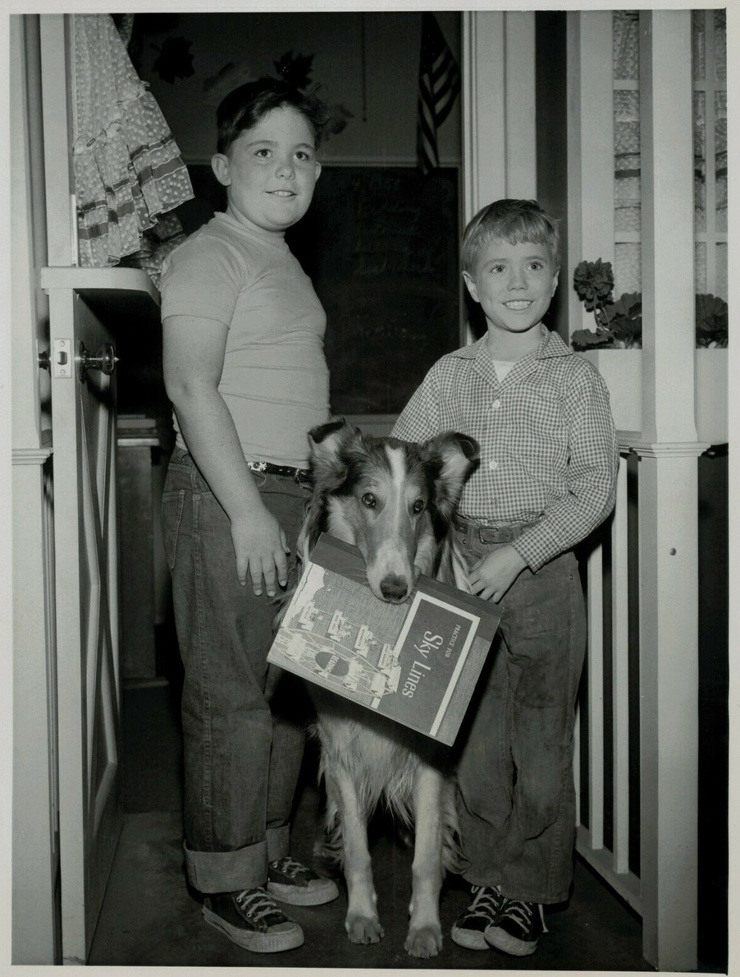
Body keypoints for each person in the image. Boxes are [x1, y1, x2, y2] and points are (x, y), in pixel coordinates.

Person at [392, 198, 618, 958]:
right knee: (478, 739)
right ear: (472, 284)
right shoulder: (449, 375)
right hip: (461, 567)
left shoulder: (573, 378)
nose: (515, 282)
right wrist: (437, 540)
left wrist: (519, 553)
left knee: (541, 741)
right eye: (497, 268)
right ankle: (487, 874)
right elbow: (404, 460)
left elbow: (595, 487)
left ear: (553, 281)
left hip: (544, 571)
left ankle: (532, 889)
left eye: (531, 267)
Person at [159, 77, 338, 955]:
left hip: (288, 499)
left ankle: (265, 856)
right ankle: (226, 879)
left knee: (283, 693)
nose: (286, 169)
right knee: (231, 695)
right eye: (263, 152)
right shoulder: (211, 253)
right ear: (223, 166)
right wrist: (247, 513)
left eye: (302, 153)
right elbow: (191, 385)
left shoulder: (279, 257)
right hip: (229, 496)